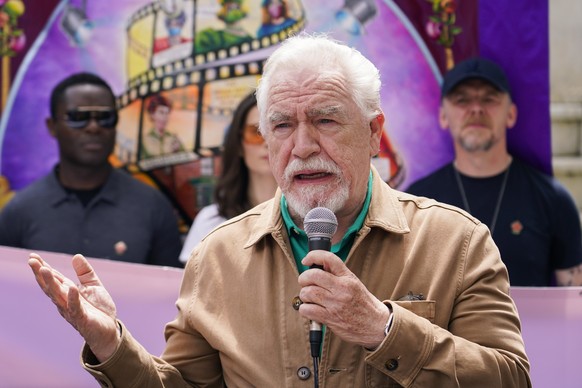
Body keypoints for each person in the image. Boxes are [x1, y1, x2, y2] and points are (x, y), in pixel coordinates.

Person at [28, 34, 530, 387]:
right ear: (267, 143)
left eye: (326, 120)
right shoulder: (218, 256)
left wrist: (383, 329)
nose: (304, 145)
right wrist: (113, 348)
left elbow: (511, 379)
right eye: (283, 126)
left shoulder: (457, 243)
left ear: (374, 133)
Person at [407, 57, 582, 287]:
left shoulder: (552, 199)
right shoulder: (416, 203)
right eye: (462, 100)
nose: (477, 108)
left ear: (510, 114)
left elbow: (573, 302)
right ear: (443, 117)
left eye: (489, 99)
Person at [0, 72, 183, 268]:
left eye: (105, 117)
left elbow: (170, 293)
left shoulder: (153, 207)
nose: (94, 127)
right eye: (78, 117)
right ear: (52, 126)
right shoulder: (19, 212)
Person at [179, 92, 277, 263]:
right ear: (238, 144)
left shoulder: (314, 220)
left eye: (279, 128)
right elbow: (188, 286)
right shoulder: (211, 221)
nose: (267, 142)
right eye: (256, 132)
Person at [140, 93, 186, 159]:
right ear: (152, 114)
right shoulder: (144, 140)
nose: (165, 117)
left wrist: (178, 152)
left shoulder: (174, 138)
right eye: (161, 112)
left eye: (167, 113)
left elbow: (186, 161)